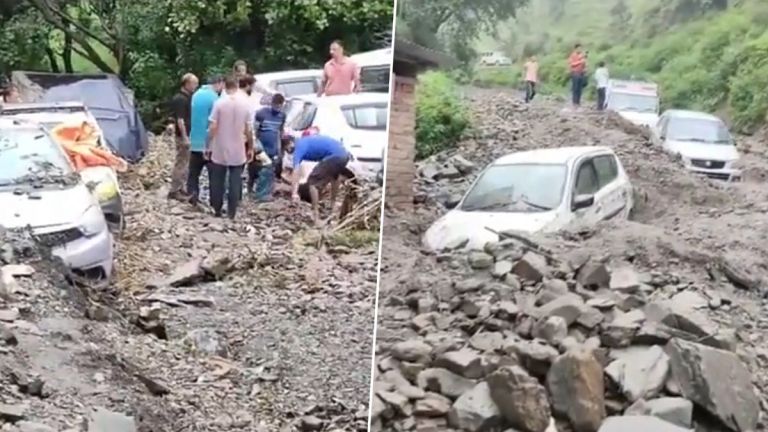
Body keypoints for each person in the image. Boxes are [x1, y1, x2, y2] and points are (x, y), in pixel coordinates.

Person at [205, 76, 254, 219]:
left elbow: (213, 127)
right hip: (238, 147)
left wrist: (208, 145)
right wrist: (250, 147)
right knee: (235, 179)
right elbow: (249, 129)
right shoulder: (245, 104)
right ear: (237, 86)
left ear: (225, 86)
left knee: (217, 179)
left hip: (220, 146)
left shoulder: (219, 103)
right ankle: (232, 211)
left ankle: (217, 209)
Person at [289, 134, 351, 225]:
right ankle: (332, 209)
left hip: (335, 156)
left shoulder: (299, 147)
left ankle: (316, 217)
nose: (288, 151)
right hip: (344, 154)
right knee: (335, 177)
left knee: (312, 183)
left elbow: (296, 170)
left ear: (291, 143)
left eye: (286, 147)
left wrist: (294, 193)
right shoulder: (305, 141)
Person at [187, 75, 224, 205]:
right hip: (210, 144)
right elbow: (215, 123)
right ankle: (215, 203)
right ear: (219, 83)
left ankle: (192, 196)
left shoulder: (196, 95)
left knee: (193, 173)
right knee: (214, 176)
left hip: (195, 141)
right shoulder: (215, 99)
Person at [248, 93, 286, 202]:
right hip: (261, 146)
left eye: (279, 106)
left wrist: (279, 149)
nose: (277, 108)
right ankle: (251, 191)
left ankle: (265, 193)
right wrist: (255, 146)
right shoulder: (261, 113)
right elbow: (255, 131)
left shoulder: (282, 116)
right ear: (272, 103)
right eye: (275, 105)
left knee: (270, 171)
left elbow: (280, 132)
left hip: (273, 147)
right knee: (254, 169)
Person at [168, 73, 199, 201]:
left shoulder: (185, 97)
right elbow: (180, 119)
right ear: (186, 83)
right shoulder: (181, 99)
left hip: (185, 133)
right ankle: (175, 190)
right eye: (194, 84)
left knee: (184, 162)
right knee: (181, 162)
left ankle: (180, 187)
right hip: (182, 135)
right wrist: (185, 137)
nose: (195, 86)